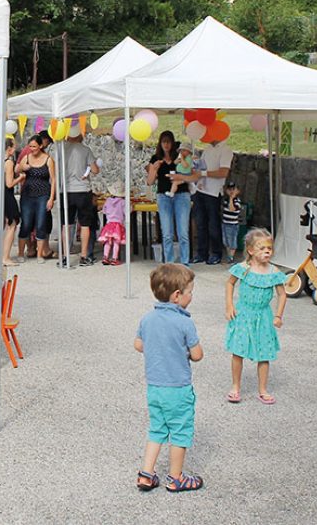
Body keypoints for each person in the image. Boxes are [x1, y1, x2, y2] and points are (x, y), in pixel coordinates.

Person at [134, 263, 204, 493]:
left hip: (155, 387)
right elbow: (197, 355)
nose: (191, 296)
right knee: (180, 431)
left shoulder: (147, 319)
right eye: (190, 292)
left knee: (157, 429)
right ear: (177, 296)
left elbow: (138, 345)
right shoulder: (185, 322)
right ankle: (176, 477)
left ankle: (146, 473)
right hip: (178, 388)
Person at [224, 228, 287, 405]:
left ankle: (262, 389)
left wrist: (278, 315)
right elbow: (230, 284)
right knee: (238, 351)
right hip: (243, 314)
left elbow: (282, 294)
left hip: (264, 316)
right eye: (262, 248)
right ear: (251, 250)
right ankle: (235, 386)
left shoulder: (273, 271)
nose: (267, 251)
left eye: (269, 248)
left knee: (264, 353)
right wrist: (229, 305)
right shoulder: (243, 269)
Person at [145, 131, 192, 266]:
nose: (166, 144)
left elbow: (189, 172)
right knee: (167, 233)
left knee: (183, 232)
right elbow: (150, 182)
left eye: (168, 141)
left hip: (182, 195)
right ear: (160, 143)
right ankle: (169, 263)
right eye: (163, 141)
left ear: (172, 143)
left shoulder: (180, 156)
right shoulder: (155, 158)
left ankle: (185, 263)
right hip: (163, 196)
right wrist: (154, 169)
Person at [59, 127, 101, 266]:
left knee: (67, 224)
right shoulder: (85, 150)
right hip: (83, 191)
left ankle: (64, 256)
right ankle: (84, 256)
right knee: (85, 224)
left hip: (66, 191)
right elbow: (95, 170)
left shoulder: (61, 149)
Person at [192, 133, 233, 265]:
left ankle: (216, 253)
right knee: (200, 224)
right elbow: (202, 167)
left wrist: (203, 173)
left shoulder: (225, 150)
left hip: (214, 192)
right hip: (200, 190)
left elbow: (223, 172)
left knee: (213, 224)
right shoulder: (207, 149)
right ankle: (201, 253)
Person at [16, 133, 57, 263]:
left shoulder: (48, 159)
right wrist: (23, 167)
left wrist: (51, 198)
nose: (31, 149)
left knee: (41, 224)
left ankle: (39, 255)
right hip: (27, 195)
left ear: (40, 146)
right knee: (26, 224)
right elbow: (16, 170)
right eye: (30, 146)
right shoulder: (26, 158)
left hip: (43, 195)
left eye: (34, 146)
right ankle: (21, 253)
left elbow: (54, 180)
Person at [0, 137, 24, 266]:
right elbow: (9, 184)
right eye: (14, 147)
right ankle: (5, 257)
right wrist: (20, 178)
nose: (15, 149)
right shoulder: (8, 162)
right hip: (6, 196)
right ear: (9, 149)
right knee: (11, 225)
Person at [98, 190, 127, 265]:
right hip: (118, 225)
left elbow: (104, 211)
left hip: (109, 224)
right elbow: (126, 212)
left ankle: (105, 257)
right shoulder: (123, 202)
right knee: (116, 242)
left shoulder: (108, 200)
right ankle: (114, 258)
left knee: (108, 242)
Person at [220, 181, 244, 263]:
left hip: (233, 225)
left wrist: (232, 198)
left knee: (232, 241)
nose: (231, 191)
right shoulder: (225, 200)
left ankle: (231, 257)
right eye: (229, 189)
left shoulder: (237, 201)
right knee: (225, 241)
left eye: (233, 189)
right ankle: (229, 256)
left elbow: (232, 208)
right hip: (225, 223)